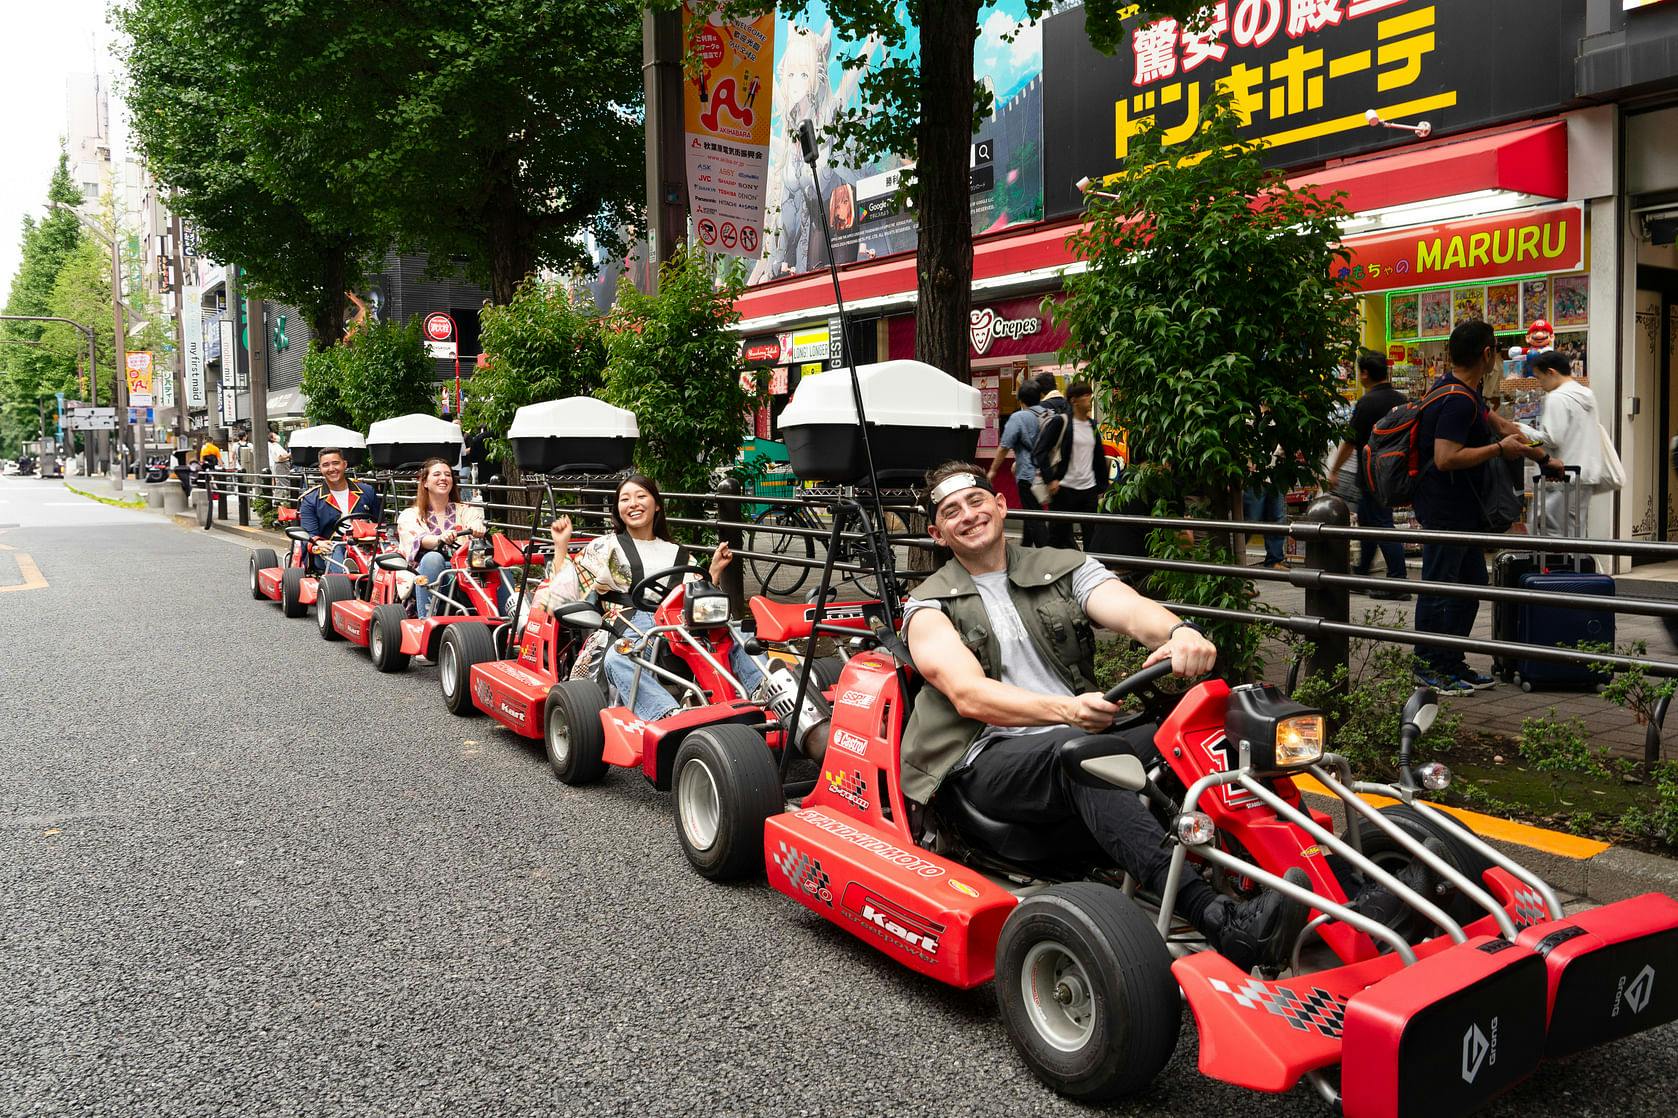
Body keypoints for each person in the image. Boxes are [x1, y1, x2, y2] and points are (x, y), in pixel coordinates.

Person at [900, 462, 1309, 970]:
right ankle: (1220, 919)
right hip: (983, 757)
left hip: (1074, 732)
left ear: (1000, 505)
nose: (969, 515)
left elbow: (1131, 609)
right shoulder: (928, 604)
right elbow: (969, 695)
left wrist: (1177, 633)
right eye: (951, 512)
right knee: (1086, 754)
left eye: (977, 501)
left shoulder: (1062, 565)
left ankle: (1331, 886)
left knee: (1218, 730)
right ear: (939, 534)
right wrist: (1066, 710)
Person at [543, 474, 767, 720]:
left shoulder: (678, 553)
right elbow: (563, 591)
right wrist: (561, 546)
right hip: (629, 626)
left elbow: (696, 598)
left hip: (680, 623)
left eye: (641, 496)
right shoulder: (604, 547)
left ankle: (765, 690)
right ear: (618, 508)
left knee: (740, 634)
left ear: (656, 504)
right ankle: (669, 717)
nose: (633, 504)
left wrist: (712, 573)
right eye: (625, 499)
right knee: (619, 658)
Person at [1412, 320, 1550, 694]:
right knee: (1440, 587)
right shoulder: (1457, 400)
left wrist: (1539, 454)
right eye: (1496, 352)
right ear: (1487, 354)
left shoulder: (1460, 391)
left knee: (1471, 583)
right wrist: (1498, 450)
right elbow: (1445, 457)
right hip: (1446, 511)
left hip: (1462, 512)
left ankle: (1451, 662)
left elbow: (1500, 424)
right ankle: (1429, 667)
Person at [1327, 353, 1409, 597]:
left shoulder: (1367, 403)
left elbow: (1350, 440)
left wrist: (1334, 469)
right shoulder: (1401, 400)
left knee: (1381, 524)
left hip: (1372, 473)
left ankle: (1397, 581)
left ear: (1364, 373)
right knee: (1368, 522)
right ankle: (1362, 573)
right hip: (1394, 473)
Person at [1519, 350, 1602, 537]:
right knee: (1575, 531)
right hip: (1584, 474)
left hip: (1560, 476)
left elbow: (1551, 438)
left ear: (1551, 372)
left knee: (1552, 533)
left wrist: (1522, 430)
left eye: (1540, 378)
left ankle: (1559, 567)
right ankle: (1575, 566)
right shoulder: (1586, 394)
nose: (1540, 385)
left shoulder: (1557, 397)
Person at [397, 458, 489, 618]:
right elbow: (419, 539)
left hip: (466, 570)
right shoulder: (410, 515)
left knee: (495, 565)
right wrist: (439, 538)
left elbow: (475, 520)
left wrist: (477, 527)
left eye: (447, 474)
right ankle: (427, 618)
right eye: (437, 474)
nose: (443, 478)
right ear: (425, 482)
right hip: (425, 572)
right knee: (433, 558)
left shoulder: (465, 510)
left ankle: (511, 621)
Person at [1037, 382, 1110, 553]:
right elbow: (1040, 451)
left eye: (1089, 394)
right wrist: (1051, 480)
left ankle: (1089, 573)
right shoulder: (1060, 422)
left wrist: (1102, 486)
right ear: (1073, 400)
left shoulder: (1092, 425)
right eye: (1085, 395)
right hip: (1064, 489)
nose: (1089, 398)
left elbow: (1098, 457)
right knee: (1057, 537)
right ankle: (1050, 570)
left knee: (1092, 537)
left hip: (1089, 490)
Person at [298, 447, 382, 574]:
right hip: (331, 546)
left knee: (390, 552)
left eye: (336, 463)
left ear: (345, 464)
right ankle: (344, 584)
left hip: (366, 544)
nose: (332, 469)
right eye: (326, 465)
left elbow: (380, 522)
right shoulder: (311, 499)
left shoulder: (367, 491)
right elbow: (308, 534)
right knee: (334, 551)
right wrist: (319, 542)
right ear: (320, 469)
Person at [987, 380, 1049, 546]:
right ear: (1040, 397)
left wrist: (993, 470)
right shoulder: (1049, 414)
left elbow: (1004, 446)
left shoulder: (1019, 417)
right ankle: (1025, 547)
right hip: (1048, 473)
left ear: (1020, 400)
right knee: (1032, 513)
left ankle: (1045, 553)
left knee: (1035, 517)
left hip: (1028, 475)